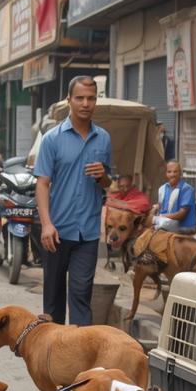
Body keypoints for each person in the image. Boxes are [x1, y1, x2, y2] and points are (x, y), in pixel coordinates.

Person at [34, 75, 113, 326]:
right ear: (69, 100)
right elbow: (42, 183)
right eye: (80, 98)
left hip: (87, 233)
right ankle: (53, 356)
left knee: (81, 296)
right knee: (54, 301)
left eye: (91, 98)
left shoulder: (104, 139)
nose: (85, 103)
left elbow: (107, 183)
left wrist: (103, 177)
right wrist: (46, 224)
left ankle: (80, 355)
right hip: (57, 232)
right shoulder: (52, 139)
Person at [152, 160, 196, 234]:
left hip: (183, 226)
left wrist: (161, 216)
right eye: (169, 172)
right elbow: (160, 206)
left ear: (180, 173)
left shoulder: (187, 189)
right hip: (166, 222)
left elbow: (181, 215)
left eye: (175, 172)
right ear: (166, 173)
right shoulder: (162, 188)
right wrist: (155, 208)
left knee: (155, 222)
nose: (172, 174)